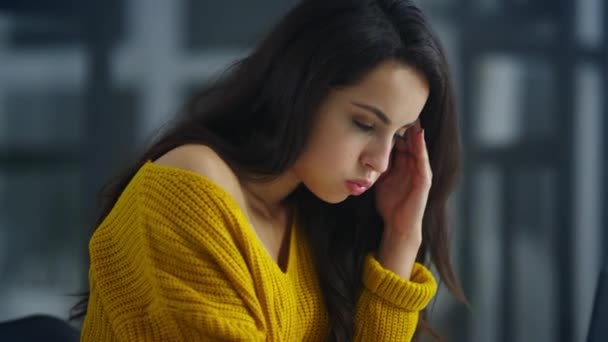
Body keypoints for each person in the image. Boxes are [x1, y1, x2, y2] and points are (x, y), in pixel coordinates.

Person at [73, 0, 466, 340]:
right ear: (300, 90)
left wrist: (400, 238)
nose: (379, 162)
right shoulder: (189, 190)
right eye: (364, 124)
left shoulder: (311, 219)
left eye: (398, 136)